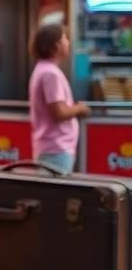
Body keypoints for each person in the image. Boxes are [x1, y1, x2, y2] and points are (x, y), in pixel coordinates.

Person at [28, 23, 89, 174]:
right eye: (64, 39)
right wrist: (80, 108)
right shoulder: (50, 74)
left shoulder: (43, 69)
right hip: (56, 149)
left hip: (52, 148)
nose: (68, 43)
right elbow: (59, 112)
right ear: (55, 46)